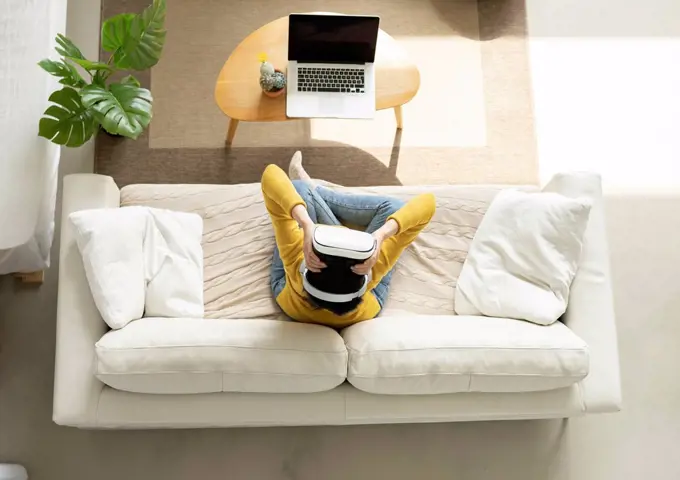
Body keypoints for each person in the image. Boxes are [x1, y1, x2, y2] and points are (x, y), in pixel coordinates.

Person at [262, 155, 435, 328]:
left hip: (291, 303)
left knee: (298, 188)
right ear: (364, 282)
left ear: (305, 271)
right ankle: (318, 193)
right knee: (395, 210)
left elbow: (271, 174)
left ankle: (314, 192)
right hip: (369, 305)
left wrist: (306, 224)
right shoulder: (371, 267)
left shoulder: (295, 259)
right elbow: (429, 203)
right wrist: (381, 235)